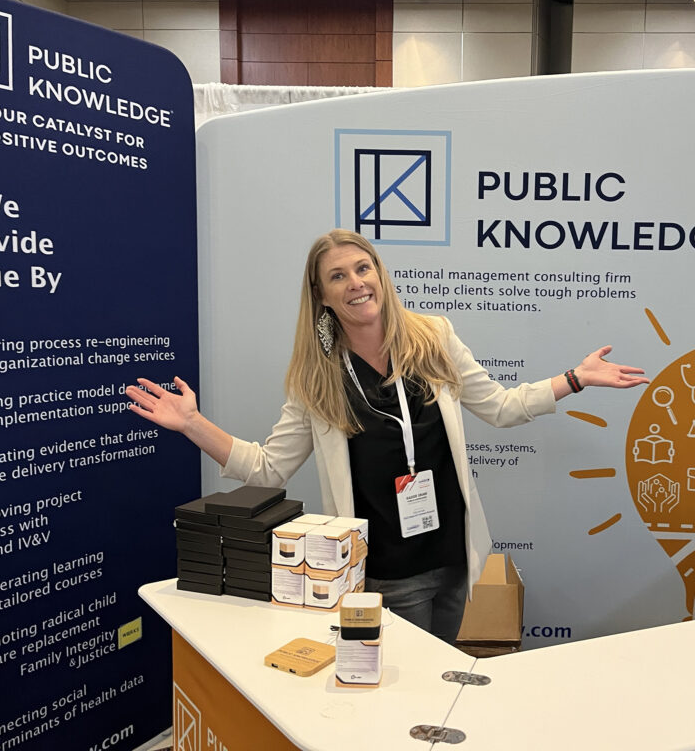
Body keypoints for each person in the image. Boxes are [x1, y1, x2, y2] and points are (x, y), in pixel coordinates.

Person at [126, 229, 650, 642]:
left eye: (363, 267)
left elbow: (501, 407)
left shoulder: (434, 339)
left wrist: (575, 379)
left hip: (453, 556)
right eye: (338, 276)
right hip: (383, 571)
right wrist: (193, 424)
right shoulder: (316, 377)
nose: (356, 282)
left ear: (379, 273)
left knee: (439, 676)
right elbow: (268, 468)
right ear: (321, 295)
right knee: (400, 694)